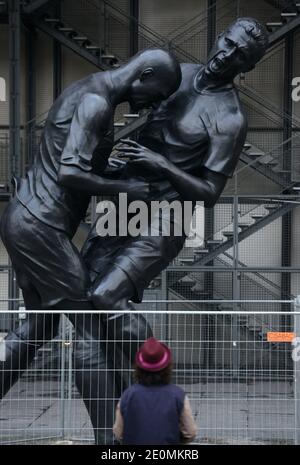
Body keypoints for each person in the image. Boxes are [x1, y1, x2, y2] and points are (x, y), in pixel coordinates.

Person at [81, 16, 268, 442]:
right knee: (89, 319)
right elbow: (120, 98)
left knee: (103, 297)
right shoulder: (174, 73)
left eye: (240, 54)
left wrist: (160, 164)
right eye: (228, 42)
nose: (227, 54)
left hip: (167, 215)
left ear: (248, 65)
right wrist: (108, 158)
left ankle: (160, 394)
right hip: (123, 197)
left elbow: (209, 192)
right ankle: (111, 439)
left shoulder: (230, 118)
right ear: (220, 37)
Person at [0, 48, 182, 444]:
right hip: (39, 227)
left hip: (29, 222)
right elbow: (69, 171)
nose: (156, 104)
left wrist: (115, 169)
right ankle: (111, 442)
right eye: (159, 92)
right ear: (144, 74)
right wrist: (126, 186)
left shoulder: (92, 93)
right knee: (89, 328)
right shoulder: (97, 102)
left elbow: (73, 161)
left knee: (39, 325)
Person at [113, 336, 197, 445]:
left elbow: (118, 432)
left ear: (139, 367)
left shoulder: (127, 395)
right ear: (167, 366)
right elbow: (190, 432)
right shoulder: (178, 395)